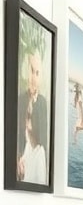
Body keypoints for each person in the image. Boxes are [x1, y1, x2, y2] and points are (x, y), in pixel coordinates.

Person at [17, 49, 48, 182]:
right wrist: (18, 157)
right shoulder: (20, 99)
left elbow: (41, 140)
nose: (34, 78)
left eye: (37, 73)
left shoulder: (41, 102)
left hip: (37, 153)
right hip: (25, 152)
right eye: (31, 71)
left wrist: (32, 108)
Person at [18, 101, 47, 184]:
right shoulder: (28, 146)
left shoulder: (40, 152)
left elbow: (40, 185)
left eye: (29, 117)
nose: (26, 121)